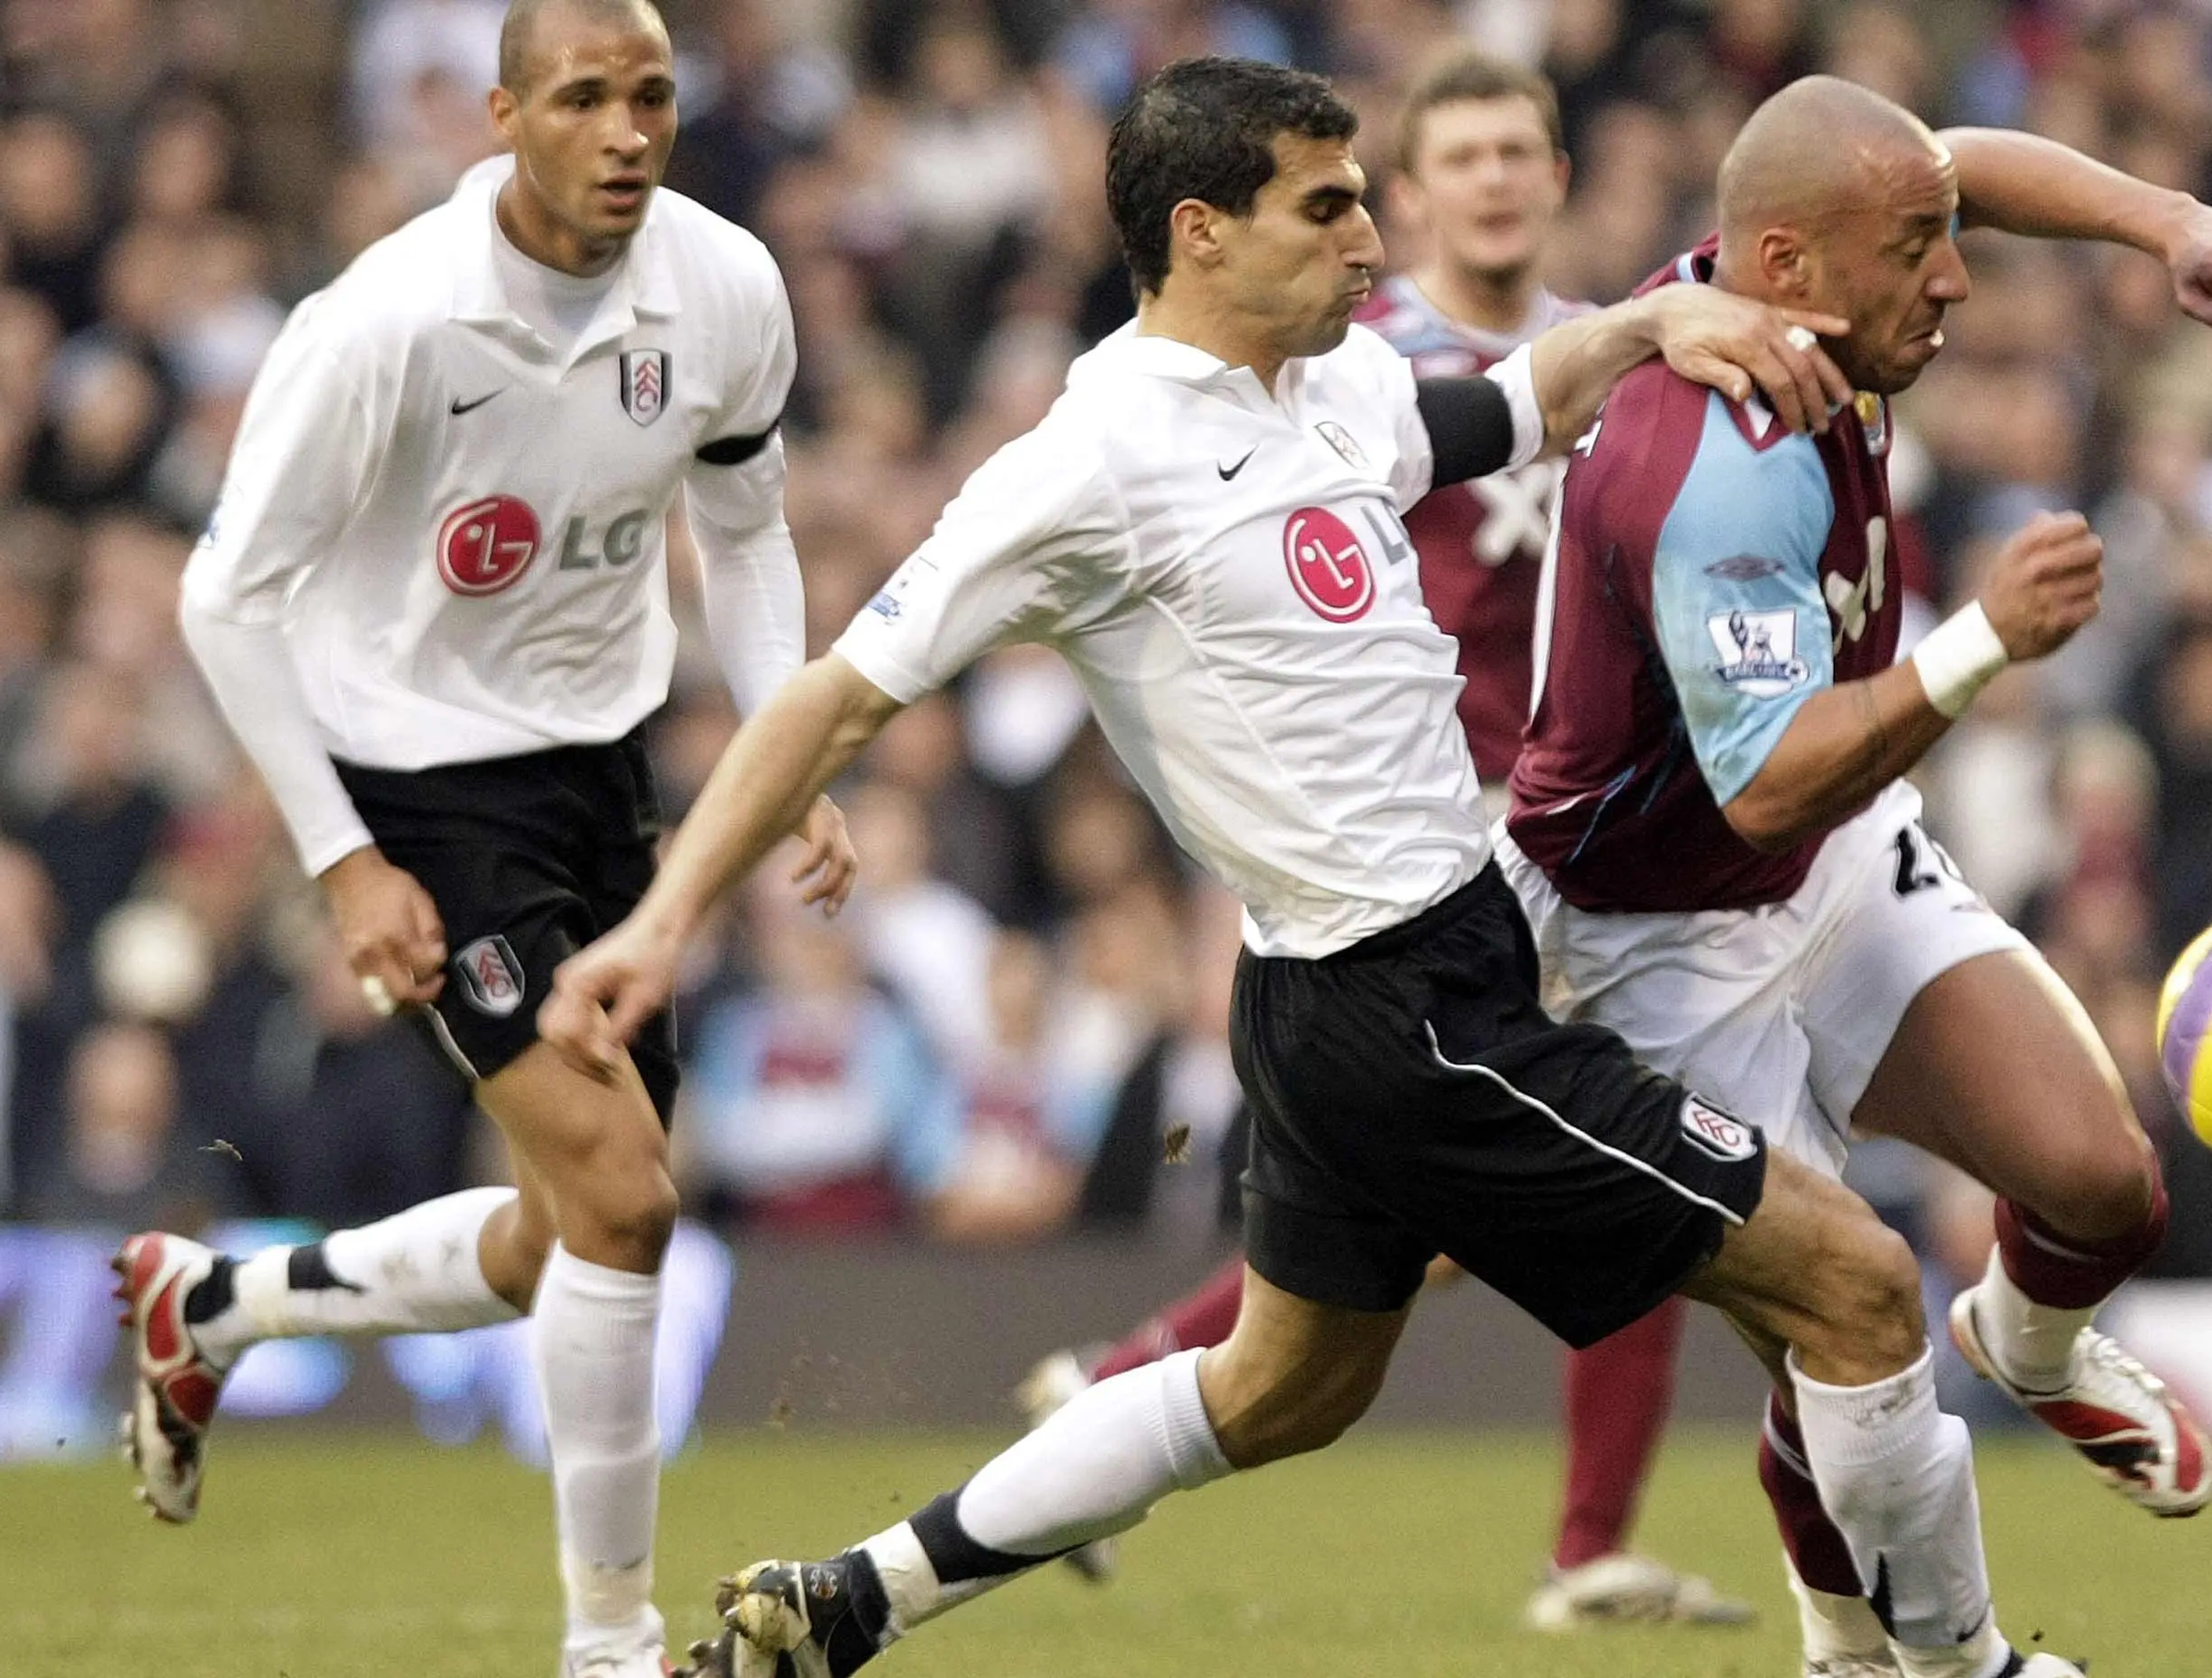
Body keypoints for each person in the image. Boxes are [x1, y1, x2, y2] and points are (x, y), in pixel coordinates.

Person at [550, 57, 2080, 1678]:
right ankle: (1956, 1669)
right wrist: (662, 920)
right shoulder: (1091, 461)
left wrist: (1646, 329)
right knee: (1848, 1281)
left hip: (1376, 983)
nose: (1373, 240)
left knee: (1279, 1390)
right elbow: (835, 694)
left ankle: (855, 1601)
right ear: (1201, 232)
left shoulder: (1327, 386)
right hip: (1399, 1013)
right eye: (1329, 203)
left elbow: (1514, 406)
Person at [1497, 76, 2212, 1676]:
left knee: (2100, 1187)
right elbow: (1760, 780)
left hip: (1832, 845)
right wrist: (1984, 637)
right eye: (1918, 252)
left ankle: (2027, 1336)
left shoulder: (1802, 273)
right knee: (1842, 1328)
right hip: (1653, 934)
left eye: (1945, 241)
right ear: (1787, 266)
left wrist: (2172, 225)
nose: (1955, 279)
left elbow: (1956, 168)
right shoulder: (1713, 459)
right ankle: (1921, 1660)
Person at [108, 2, 857, 1673]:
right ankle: (611, 1646)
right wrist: (339, 859)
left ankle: (211, 1306)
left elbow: (745, 532)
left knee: (564, 1233)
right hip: (418, 783)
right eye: (585, 98)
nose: (626, 132)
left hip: (605, 769)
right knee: (624, 1195)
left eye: (652, 96)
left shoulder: (725, 285)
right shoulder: (386, 323)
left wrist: (781, 746)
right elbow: (227, 597)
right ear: (502, 113)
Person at [1016, 50, 1752, 1634]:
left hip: (1570, 822)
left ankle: (1124, 1385)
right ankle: (1578, 1544)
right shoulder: (1341, 351)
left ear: (1560, 177)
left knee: (1534, 1174)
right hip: (1423, 840)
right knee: (1608, 1149)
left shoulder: (1606, 354)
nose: (1492, 180)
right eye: (1461, 155)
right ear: (1407, 194)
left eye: (1519, 152)